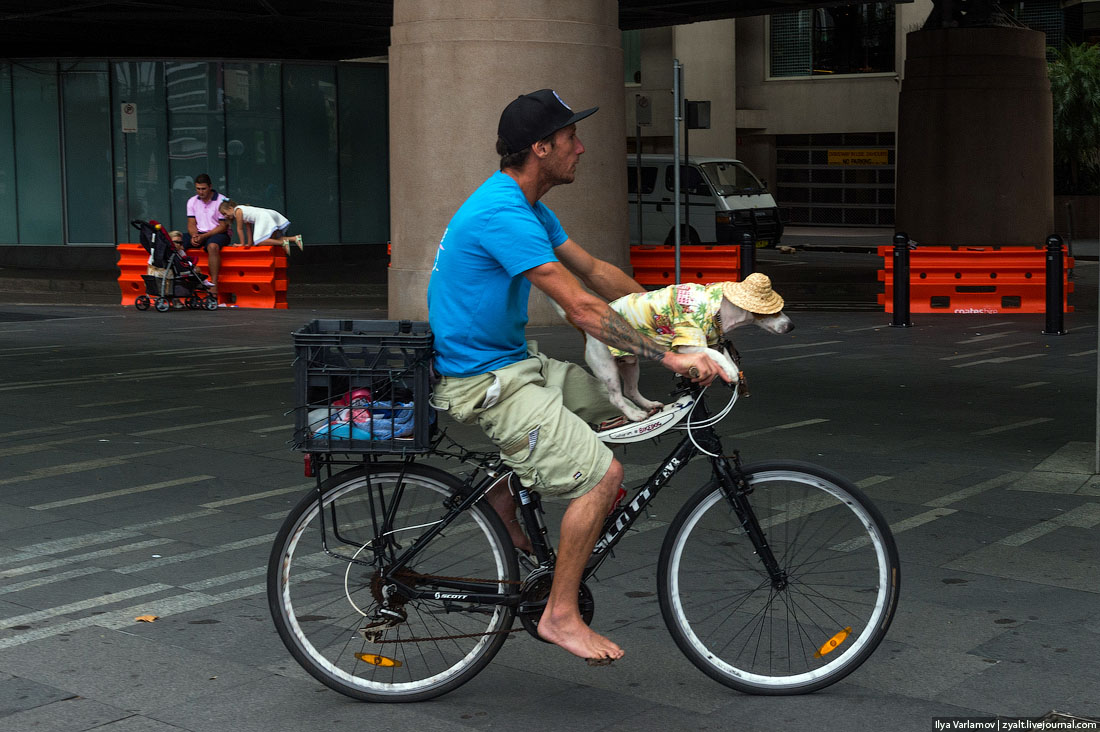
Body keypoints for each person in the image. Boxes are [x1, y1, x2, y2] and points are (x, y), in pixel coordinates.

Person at [426, 89, 728, 665]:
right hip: (486, 380)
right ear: (540, 148)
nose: (581, 148)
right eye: (570, 139)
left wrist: (676, 323)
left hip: (517, 363)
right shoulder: (502, 213)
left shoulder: (532, 207)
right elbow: (582, 308)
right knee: (602, 477)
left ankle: (500, 497)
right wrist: (670, 358)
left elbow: (597, 272)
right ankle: (559, 616)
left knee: (624, 416)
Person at [183, 174, 230, 298]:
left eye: (203, 189)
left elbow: (223, 226)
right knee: (176, 243)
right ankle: (182, 281)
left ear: (210, 187)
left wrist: (203, 237)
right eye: (198, 189)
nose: (201, 192)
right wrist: (194, 235)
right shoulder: (192, 201)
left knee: (213, 246)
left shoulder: (221, 200)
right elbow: (191, 223)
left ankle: (214, 284)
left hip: (218, 232)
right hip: (199, 232)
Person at [217, 200, 304, 256]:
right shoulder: (243, 209)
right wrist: (250, 244)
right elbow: (248, 229)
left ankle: (283, 242)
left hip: (263, 217)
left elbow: (240, 229)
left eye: (225, 213)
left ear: (230, 208)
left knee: (259, 241)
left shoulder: (238, 211)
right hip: (269, 213)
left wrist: (242, 244)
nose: (225, 216)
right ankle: (294, 238)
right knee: (271, 239)